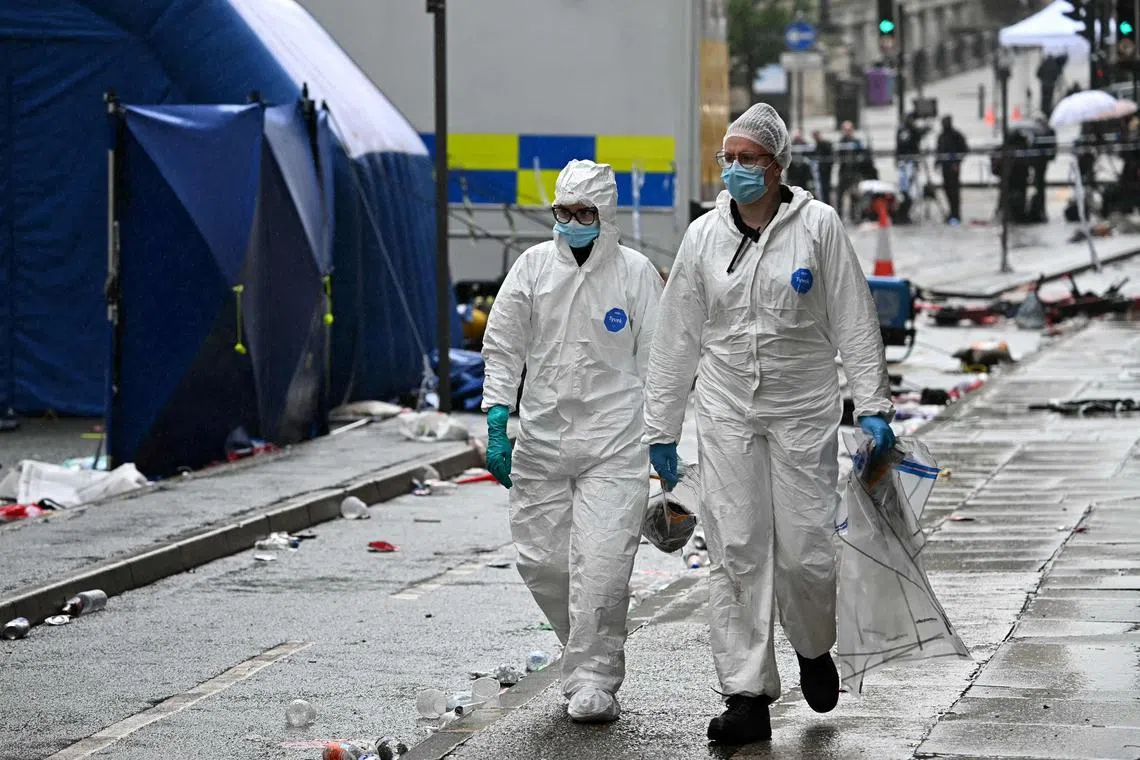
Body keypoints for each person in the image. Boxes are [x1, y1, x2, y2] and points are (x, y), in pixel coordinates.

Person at [642, 103, 895, 745]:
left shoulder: (818, 227)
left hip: (802, 412)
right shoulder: (704, 237)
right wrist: (663, 428)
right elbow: (676, 336)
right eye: (727, 159)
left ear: (778, 165)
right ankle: (746, 694)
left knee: (807, 552)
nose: (735, 170)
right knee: (735, 548)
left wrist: (873, 406)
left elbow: (855, 318)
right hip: (727, 410)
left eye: (747, 159)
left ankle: (813, 647)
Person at [481, 159, 663, 724]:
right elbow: (504, 344)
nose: (575, 221)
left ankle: (595, 677)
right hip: (542, 442)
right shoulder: (532, 268)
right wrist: (495, 415)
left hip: (615, 443)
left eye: (586, 213)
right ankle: (580, 648)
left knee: (603, 566)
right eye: (566, 212)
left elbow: (660, 361)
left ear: (604, 215)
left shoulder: (634, 274)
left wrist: (666, 441)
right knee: (544, 564)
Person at [935, 115, 969, 225]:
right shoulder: (941, 136)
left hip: (953, 167)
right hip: (945, 167)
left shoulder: (956, 135)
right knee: (947, 190)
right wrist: (937, 162)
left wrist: (957, 162)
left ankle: (956, 214)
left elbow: (964, 149)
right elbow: (939, 150)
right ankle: (951, 212)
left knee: (954, 192)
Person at [811, 129, 834, 207]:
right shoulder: (817, 145)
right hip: (820, 170)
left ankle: (827, 204)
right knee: (821, 189)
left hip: (826, 170)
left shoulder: (825, 143)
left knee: (825, 189)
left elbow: (830, 156)